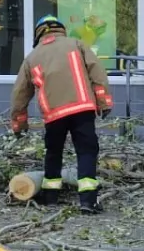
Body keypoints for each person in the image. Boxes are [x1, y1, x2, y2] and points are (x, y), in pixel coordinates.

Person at [10, 15, 113, 214]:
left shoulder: (32, 57)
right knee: (86, 151)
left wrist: (19, 125)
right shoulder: (76, 44)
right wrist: (104, 101)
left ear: (39, 33)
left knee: (53, 153)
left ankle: (50, 199)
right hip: (82, 109)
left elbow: (19, 95)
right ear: (61, 29)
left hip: (54, 115)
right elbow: (97, 72)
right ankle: (88, 201)